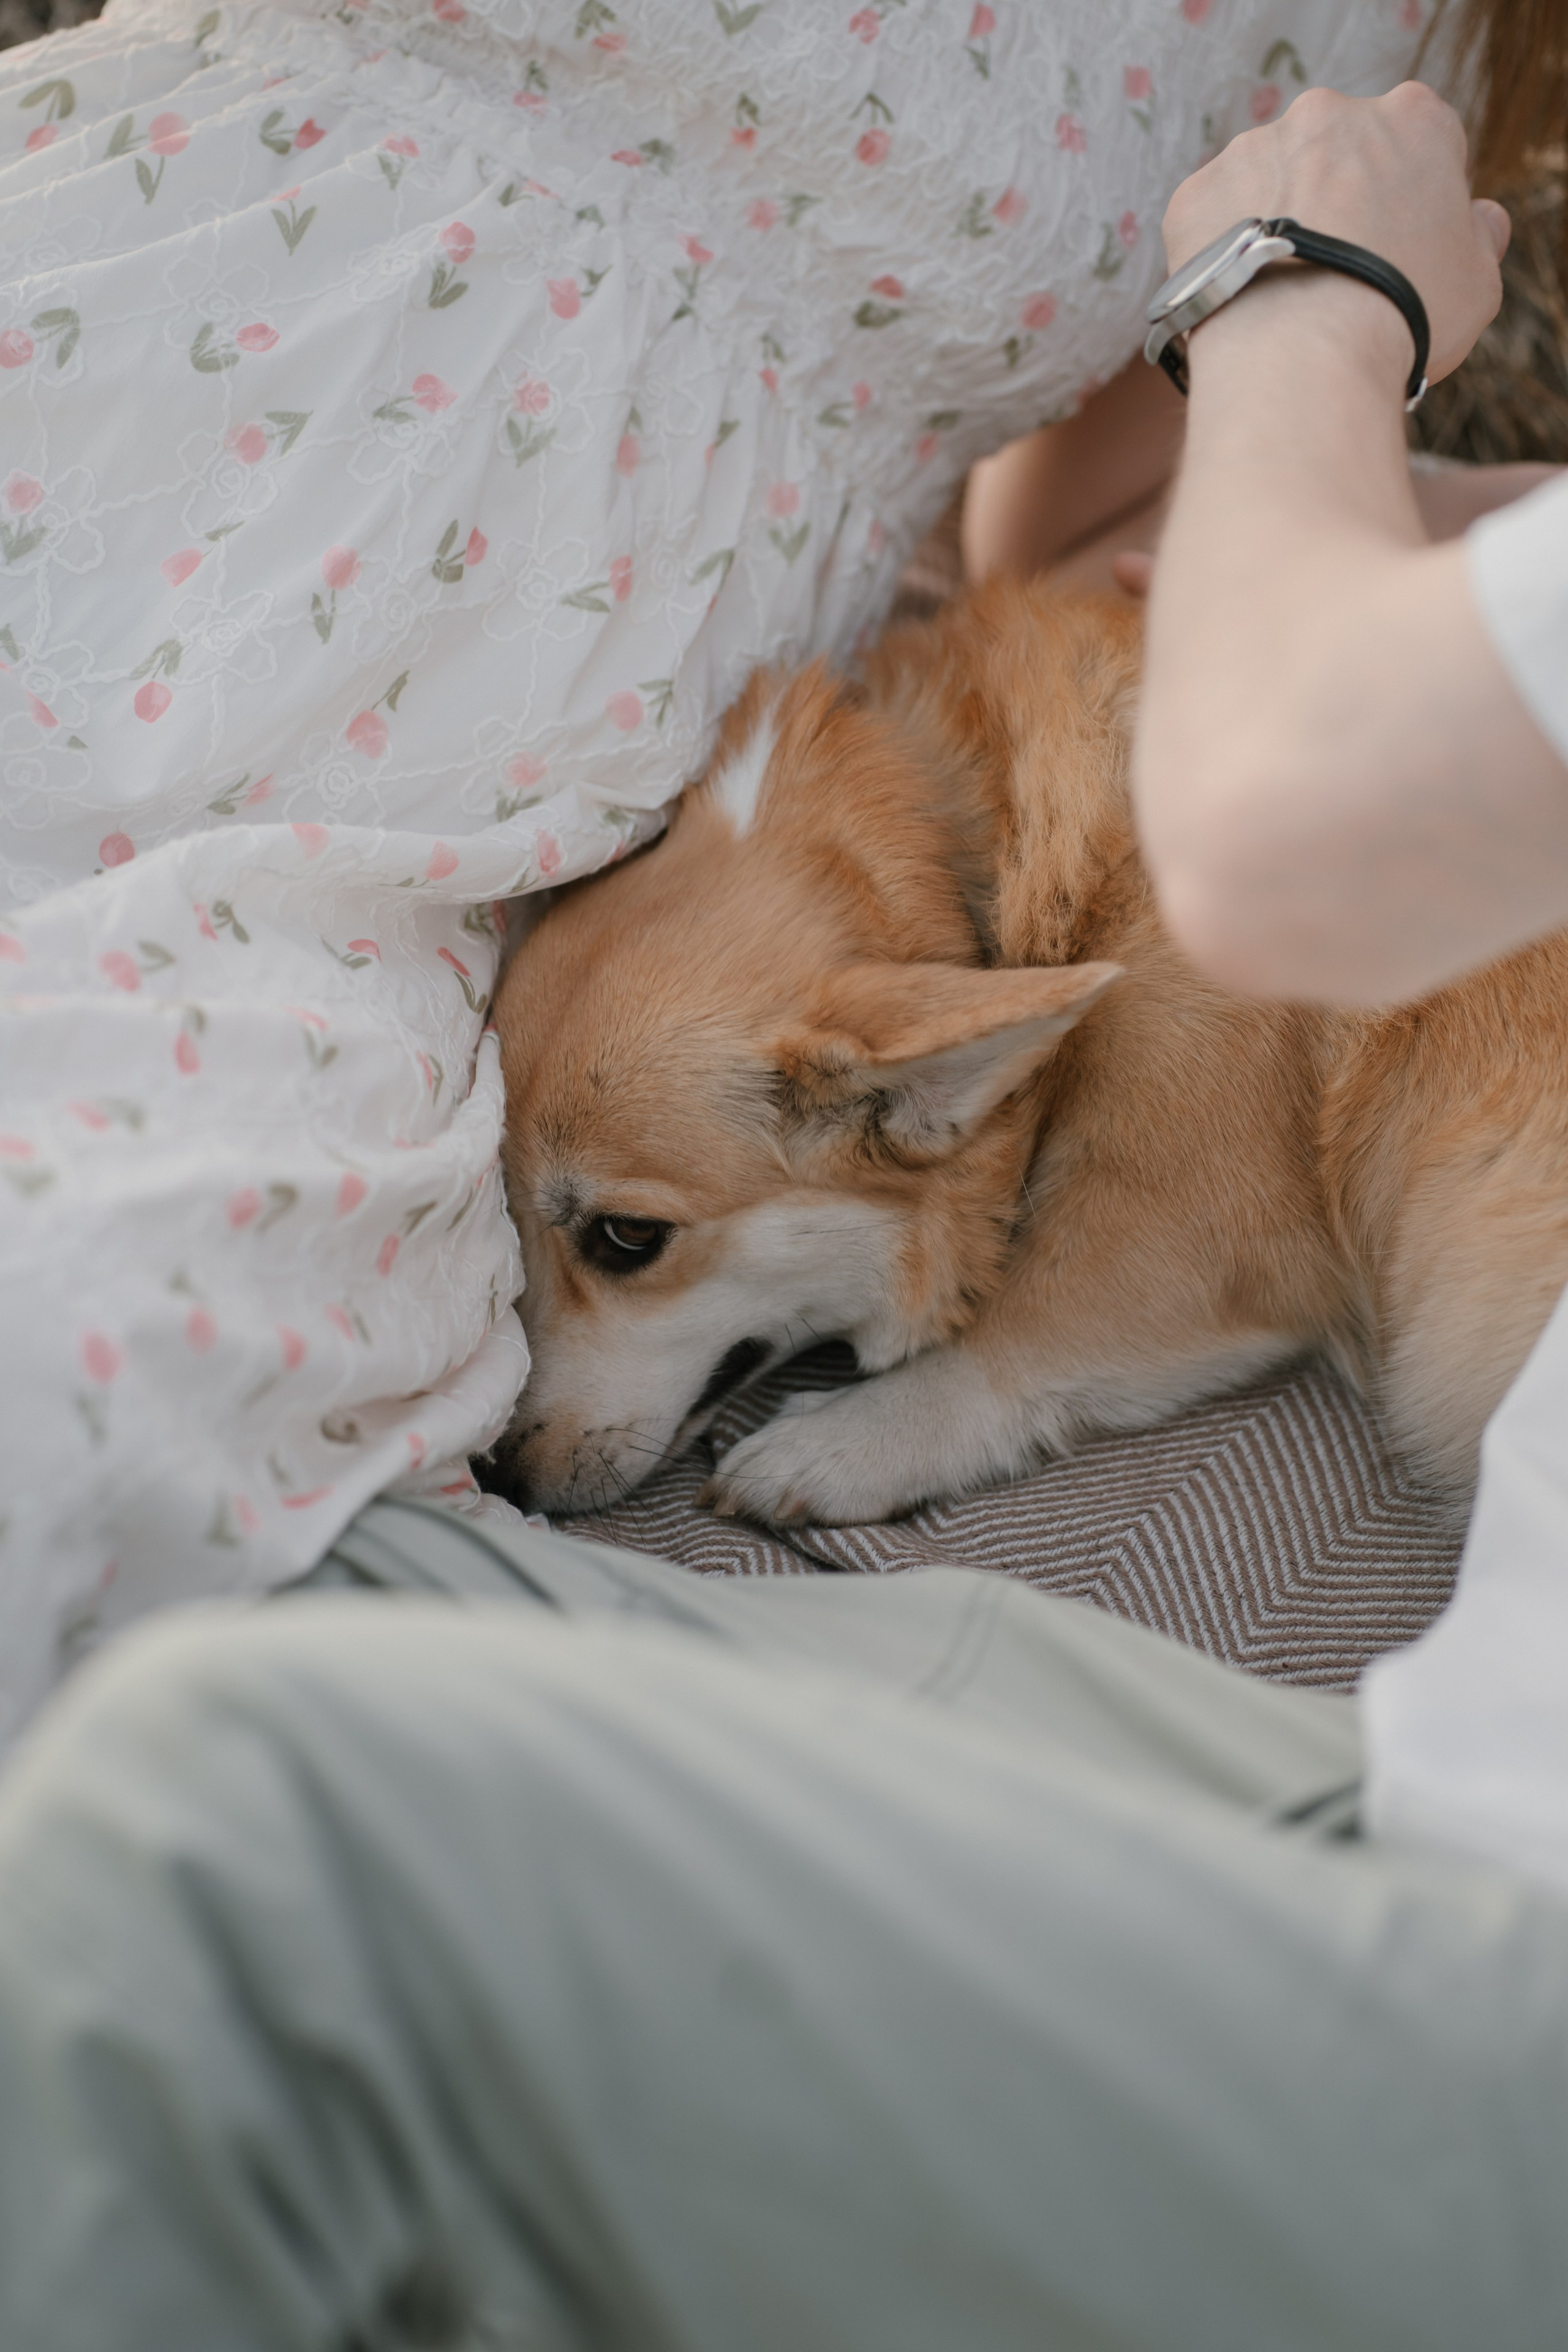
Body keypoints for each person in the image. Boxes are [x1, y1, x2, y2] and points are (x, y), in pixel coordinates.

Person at [4, 55, 1568, 2352]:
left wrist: (1309, 313)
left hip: (1486, 1976)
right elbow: (1127, 575)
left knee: (203, 1817)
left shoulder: (1369, 164)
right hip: (1445, 1795)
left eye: (621, 1251)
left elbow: (1263, 934)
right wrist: (1360, 498)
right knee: (334, 1614)